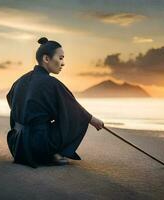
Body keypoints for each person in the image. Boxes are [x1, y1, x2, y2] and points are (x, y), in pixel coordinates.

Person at [6, 37, 104, 168]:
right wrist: (92, 119)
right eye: (61, 58)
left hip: (16, 145)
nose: (63, 63)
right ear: (46, 59)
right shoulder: (52, 84)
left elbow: (11, 101)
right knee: (73, 117)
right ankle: (51, 153)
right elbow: (73, 109)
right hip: (37, 147)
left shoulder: (19, 81)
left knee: (58, 117)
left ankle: (44, 146)